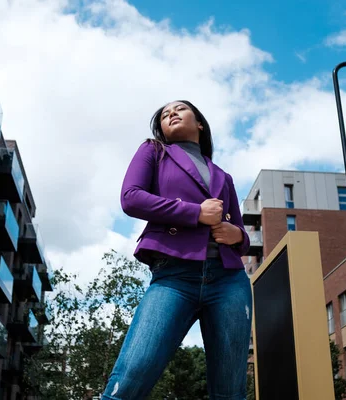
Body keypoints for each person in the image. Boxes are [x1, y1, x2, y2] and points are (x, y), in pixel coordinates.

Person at [102, 101, 252, 400]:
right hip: (173, 275)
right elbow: (131, 199)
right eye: (164, 113)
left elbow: (239, 233)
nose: (170, 113)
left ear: (200, 123)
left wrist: (237, 234)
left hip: (228, 281)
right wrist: (194, 212)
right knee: (132, 375)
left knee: (230, 390)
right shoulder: (153, 151)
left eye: (180, 108)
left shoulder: (224, 176)